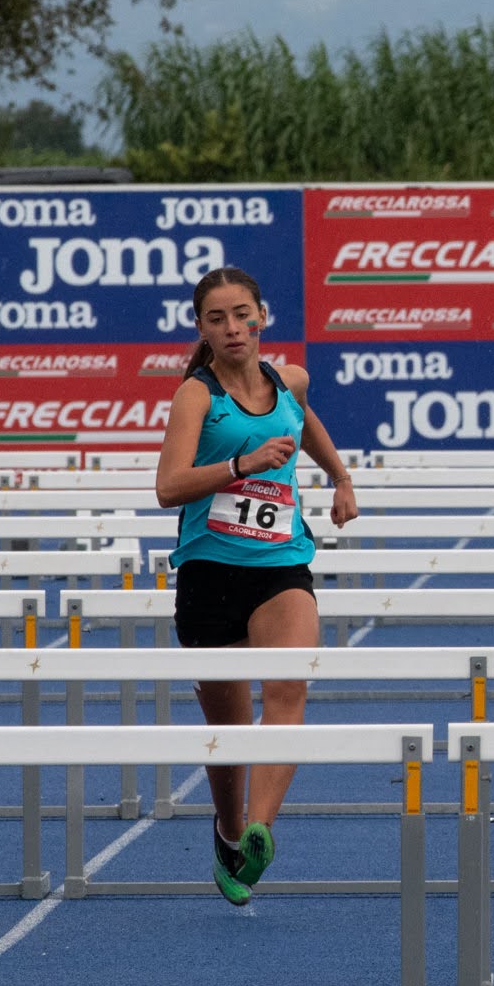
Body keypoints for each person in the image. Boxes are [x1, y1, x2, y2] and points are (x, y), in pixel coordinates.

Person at [155, 265, 358, 905]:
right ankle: (229, 828)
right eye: (217, 319)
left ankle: (260, 831)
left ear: (262, 317)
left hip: (280, 565)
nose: (233, 328)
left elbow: (304, 420)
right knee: (230, 736)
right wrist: (241, 464)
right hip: (210, 573)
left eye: (242, 315)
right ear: (201, 328)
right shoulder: (196, 396)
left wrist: (340, 477)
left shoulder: (289, 379)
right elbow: (168, 487)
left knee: (290, 685)